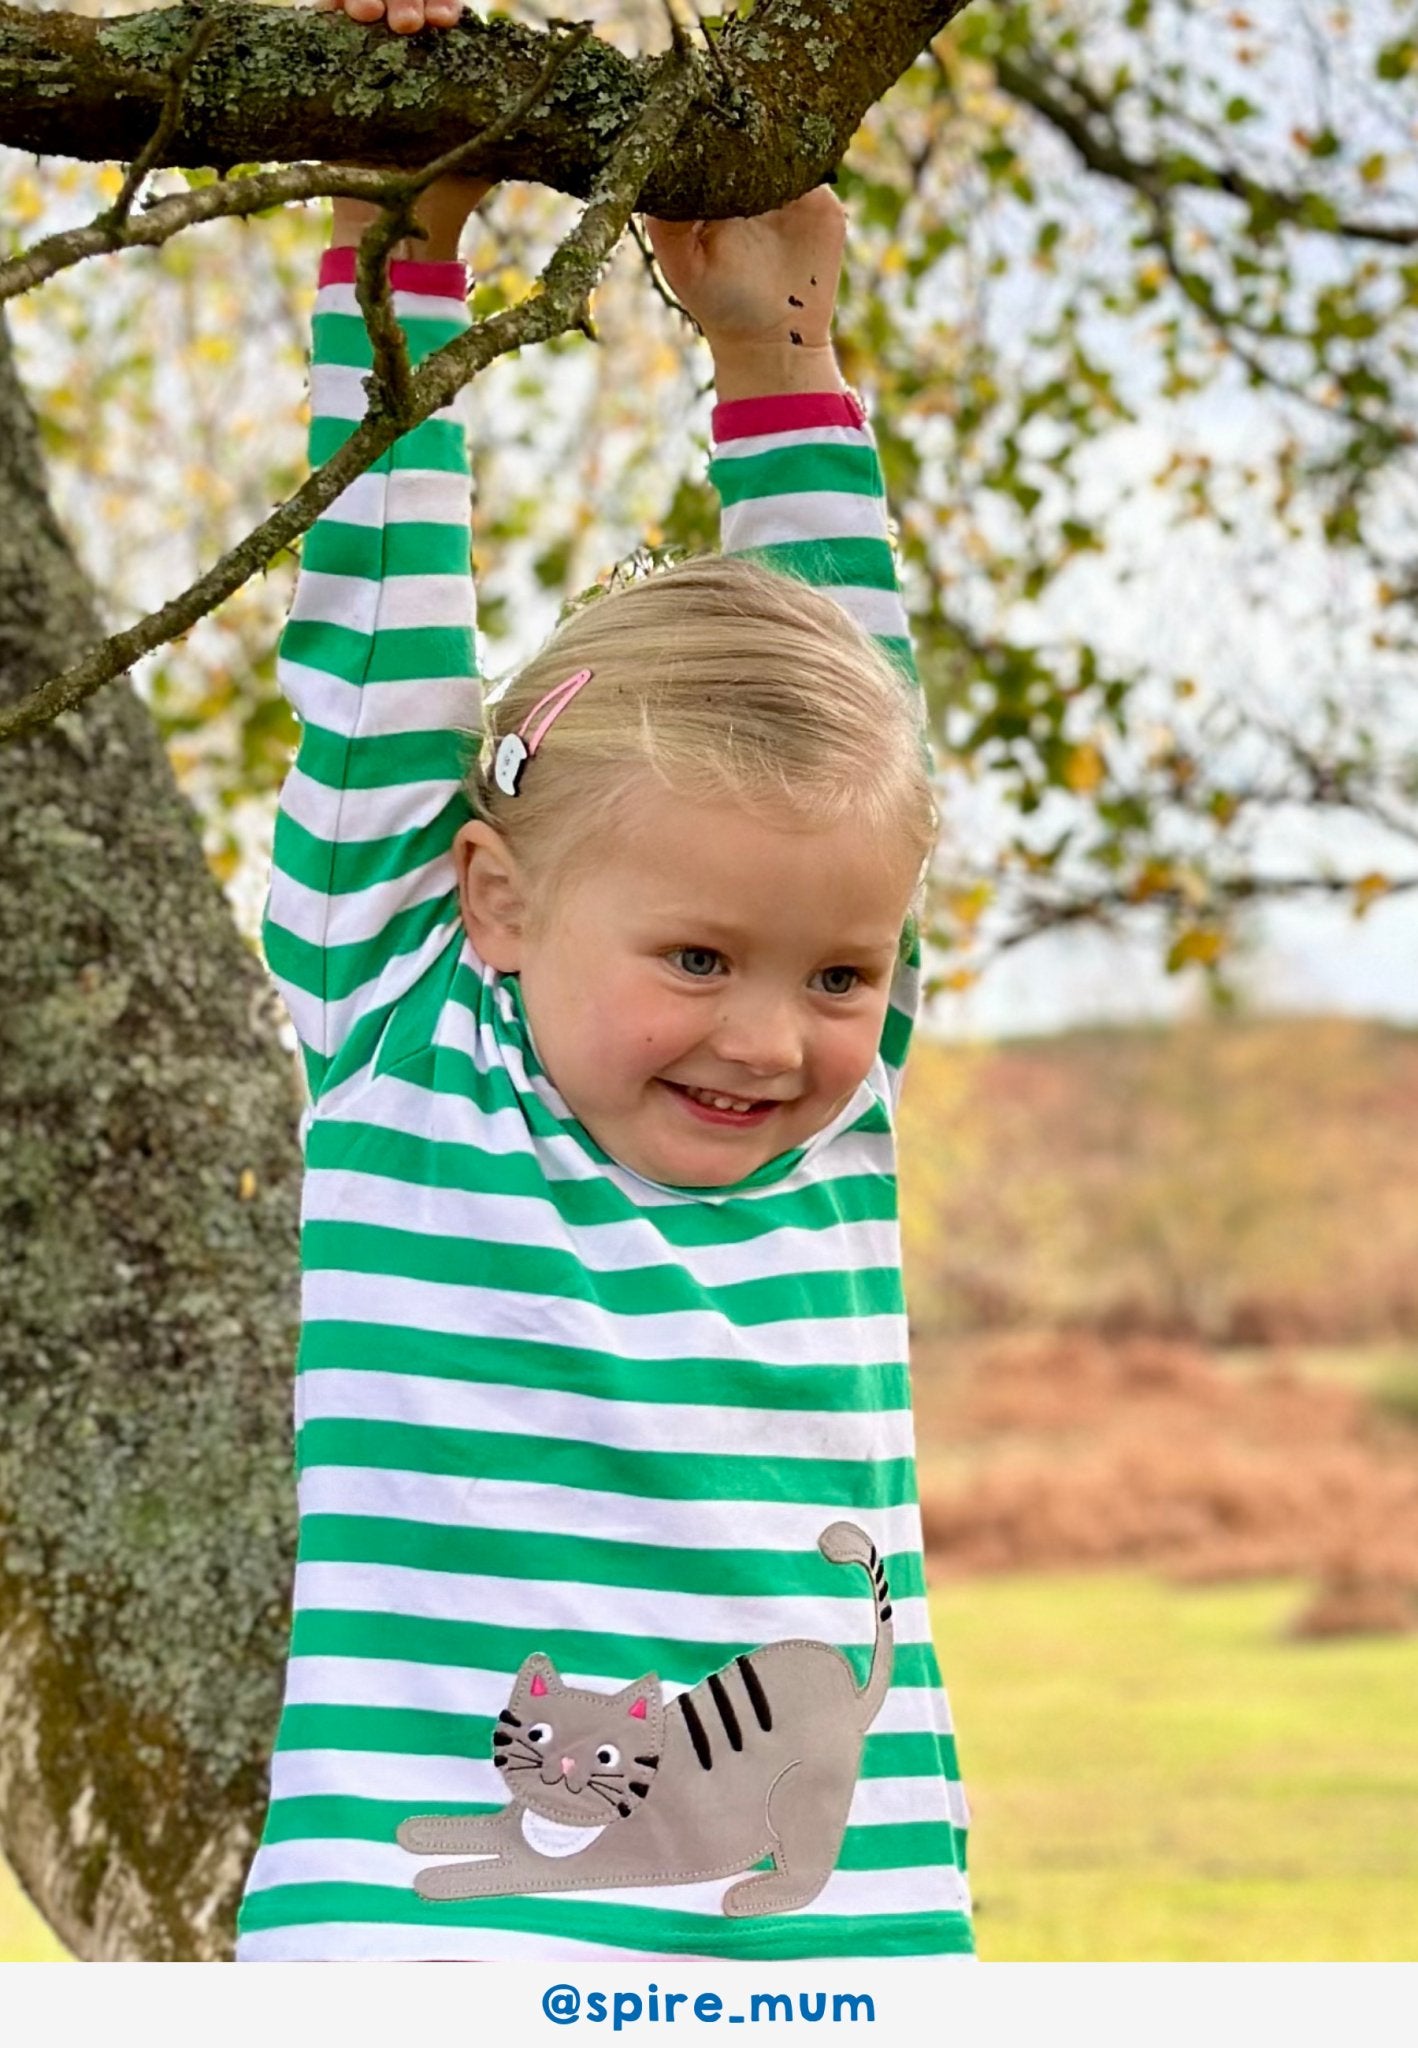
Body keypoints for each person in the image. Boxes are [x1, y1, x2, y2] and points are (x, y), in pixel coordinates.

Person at [236, 0, 973, 1964]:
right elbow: (373, 656)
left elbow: (852, 715)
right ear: (489, 897)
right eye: (698, 957)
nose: (771, 1034)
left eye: (836, 972)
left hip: (838, 1963)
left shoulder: (841, 1108)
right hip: (424, 1953)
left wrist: (776, 346)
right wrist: (400, 240)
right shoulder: (408, 1026)